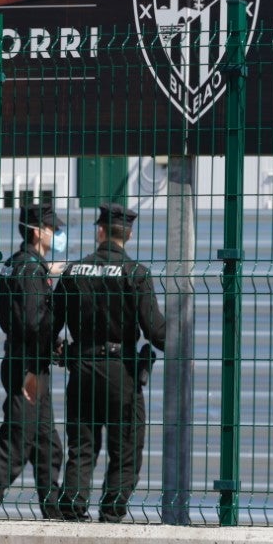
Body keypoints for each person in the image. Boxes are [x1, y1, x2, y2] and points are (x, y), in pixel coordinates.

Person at [54, 202, 166, 522]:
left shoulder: (74, 271)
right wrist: (180, 340)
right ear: (128, 235)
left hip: (83, 368)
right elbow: (155, 330)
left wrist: (57, 348)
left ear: (100, 231)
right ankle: (112, 513)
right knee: (126, 448)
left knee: (83, 447)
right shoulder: (137, 274)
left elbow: (51, 323)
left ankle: (73, 510)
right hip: (122, 372)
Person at [0, 202, 67, 519]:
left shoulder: (17, 264)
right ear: (38, 232)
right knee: (16, 443)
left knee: (48, 446)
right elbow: (32, 321)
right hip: (28, 366)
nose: (56, 234)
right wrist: (52, 344)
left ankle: (52, 509)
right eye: (53, 229)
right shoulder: (30, 270)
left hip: (26, 362)